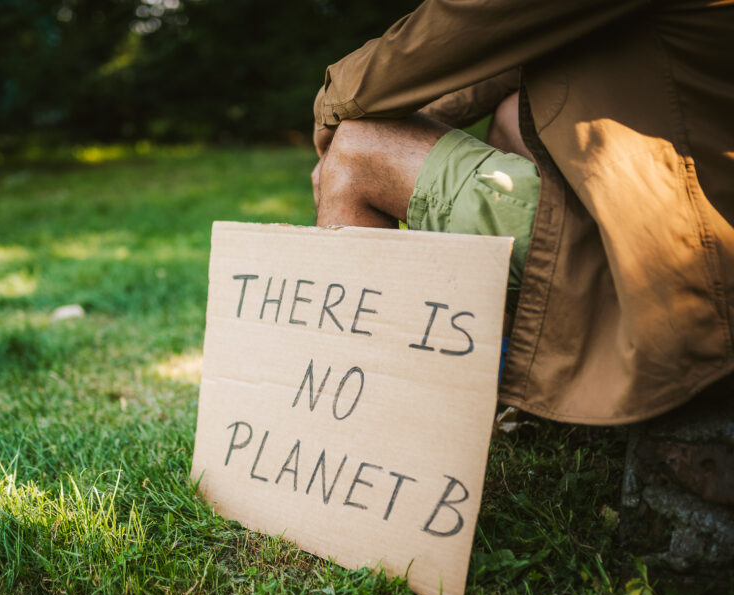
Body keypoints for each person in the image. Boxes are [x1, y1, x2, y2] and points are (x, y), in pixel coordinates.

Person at [309, 0, 734, 546]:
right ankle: (495, 391)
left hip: (682, 247)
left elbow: (473, 19)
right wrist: (381, 106)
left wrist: (337, 107)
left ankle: (361, 464)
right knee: (515, 112)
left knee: (357, 156)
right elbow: (504, 61)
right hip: (695, 206)